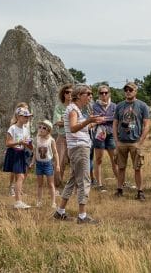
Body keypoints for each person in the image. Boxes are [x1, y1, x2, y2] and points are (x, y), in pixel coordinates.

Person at [53, 85, 105, 224]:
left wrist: (94, 123)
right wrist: (89, 121)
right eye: (88, 93)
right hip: (79, 148)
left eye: (91, 94)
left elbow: (80, 128)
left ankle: (60, 211)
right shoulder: (73, 110)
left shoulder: (76, 110)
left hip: (77, 147)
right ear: (79, 95)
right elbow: (73, 128)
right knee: (84, 180)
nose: (90, 96)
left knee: (73, 180)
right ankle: (82, 216)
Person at [113, 82, 150, 200]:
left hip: (135, 141)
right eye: (126, 90)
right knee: (121, 167)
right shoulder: (119, 106)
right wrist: (116, 141)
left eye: (131, 90)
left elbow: (147, 125)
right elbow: (114, 124)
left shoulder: (142, 106)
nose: (128, 92)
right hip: (122, 141)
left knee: (137, 167)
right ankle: (119, 189)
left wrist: (140, 142)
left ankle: (140, 191)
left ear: (135, 91)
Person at [3, 106, 33, 209]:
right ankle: (18, 201)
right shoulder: (12, 128)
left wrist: (31, 146)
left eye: (28, 117)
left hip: (21, 153)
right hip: (13, 153)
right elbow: (8, 143)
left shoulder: (25, 129)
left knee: (20, 177)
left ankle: (18, 200)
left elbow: (27, 143)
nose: (27, 118)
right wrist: (19, 142)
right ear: (18, 116)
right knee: (20, 176)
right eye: (25, 116)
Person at [92, 85, 118, 192]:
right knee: (99, 159)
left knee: (115, 159)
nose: (104, 95)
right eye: (102, 93)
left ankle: (120, 182)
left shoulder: (114, 106)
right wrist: (107, 118)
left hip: (111, 134)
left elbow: (115, 118)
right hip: (99, 134)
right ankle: (99, 184)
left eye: (106, 92)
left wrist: (104, 118)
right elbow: (96, 119)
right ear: (99, 94)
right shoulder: (95, 105)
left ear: (109, 93)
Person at [29, 120, 60, 208]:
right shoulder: (37, 139)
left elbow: (55, 153)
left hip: (48, 164)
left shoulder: (51, 140)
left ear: (48, 131)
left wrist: (57, 165)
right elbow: (35, 152)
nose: (41, 129)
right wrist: (32, 162)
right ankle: (39, 201)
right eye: (40, 127)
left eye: (44, 128)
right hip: (39, 164)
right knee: (39, 184)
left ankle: (53, 202)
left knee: (50, 184)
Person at [53, 83, 73, 191]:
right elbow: (57, 122)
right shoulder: (59, 107)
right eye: (67, 92)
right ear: (63, 94)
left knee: (74, 162)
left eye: (71, 92)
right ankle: (57, 184)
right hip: (62, 137)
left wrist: (64, 121)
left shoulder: (75, 107)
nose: (69, 94)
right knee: (59, 161)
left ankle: (72, 184)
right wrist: (70, 121)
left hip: (74, 138)